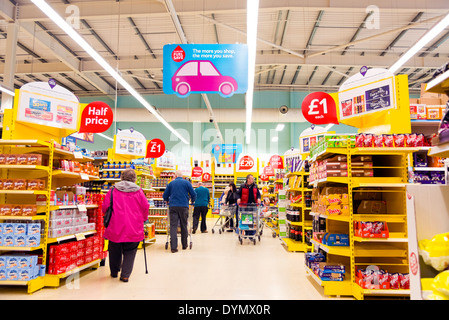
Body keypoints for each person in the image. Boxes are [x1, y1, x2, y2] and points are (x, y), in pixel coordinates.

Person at [102, 168, 149, 282]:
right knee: (130, 251)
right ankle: (125, 275)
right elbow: (145, 207)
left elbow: (105, 206)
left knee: (114, 249)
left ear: (122, 177)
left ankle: (114, 272)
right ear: (134, 179)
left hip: (115, 226)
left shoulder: (113, 190)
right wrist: (143, 219)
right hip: (134, 227)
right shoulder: (139, 192)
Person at [163, 170, 197, 253]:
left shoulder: (171, 183)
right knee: (183, 225)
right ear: (182, 176)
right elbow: (194, 194)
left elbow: (165, 195)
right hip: (184, 206)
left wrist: (167, 200)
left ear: (175, 175)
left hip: (173, 206)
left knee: (173, 226)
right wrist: (192, 201)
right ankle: (184, 245)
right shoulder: (187, 183)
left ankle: (173, 247)